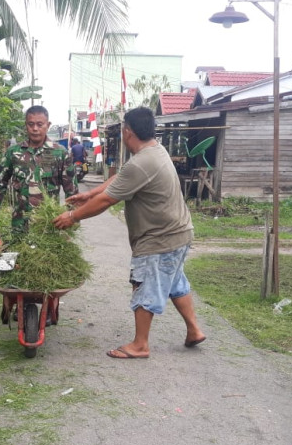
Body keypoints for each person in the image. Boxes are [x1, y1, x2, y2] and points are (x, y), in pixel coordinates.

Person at [53, 107, 206, 359]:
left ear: (127, 132)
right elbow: (121, 178)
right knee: (175, 282)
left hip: (159, 239)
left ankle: (140, 345)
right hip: (180, 233)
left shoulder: (143, 162)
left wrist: (72, 216)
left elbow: (107, 202)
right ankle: (194, 330)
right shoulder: (155, 151)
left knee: (144, 284)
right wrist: (90, 193)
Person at [0, 105, 77, 233]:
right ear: (26, 125)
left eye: (40, 124)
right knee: (19, 252)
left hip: (49, 225)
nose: (35, 129)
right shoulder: (14, 153)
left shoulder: (60, 153)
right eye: (31, 124)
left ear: (48, 125)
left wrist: (73, 216)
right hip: (20, 223)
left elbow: (71, 189)